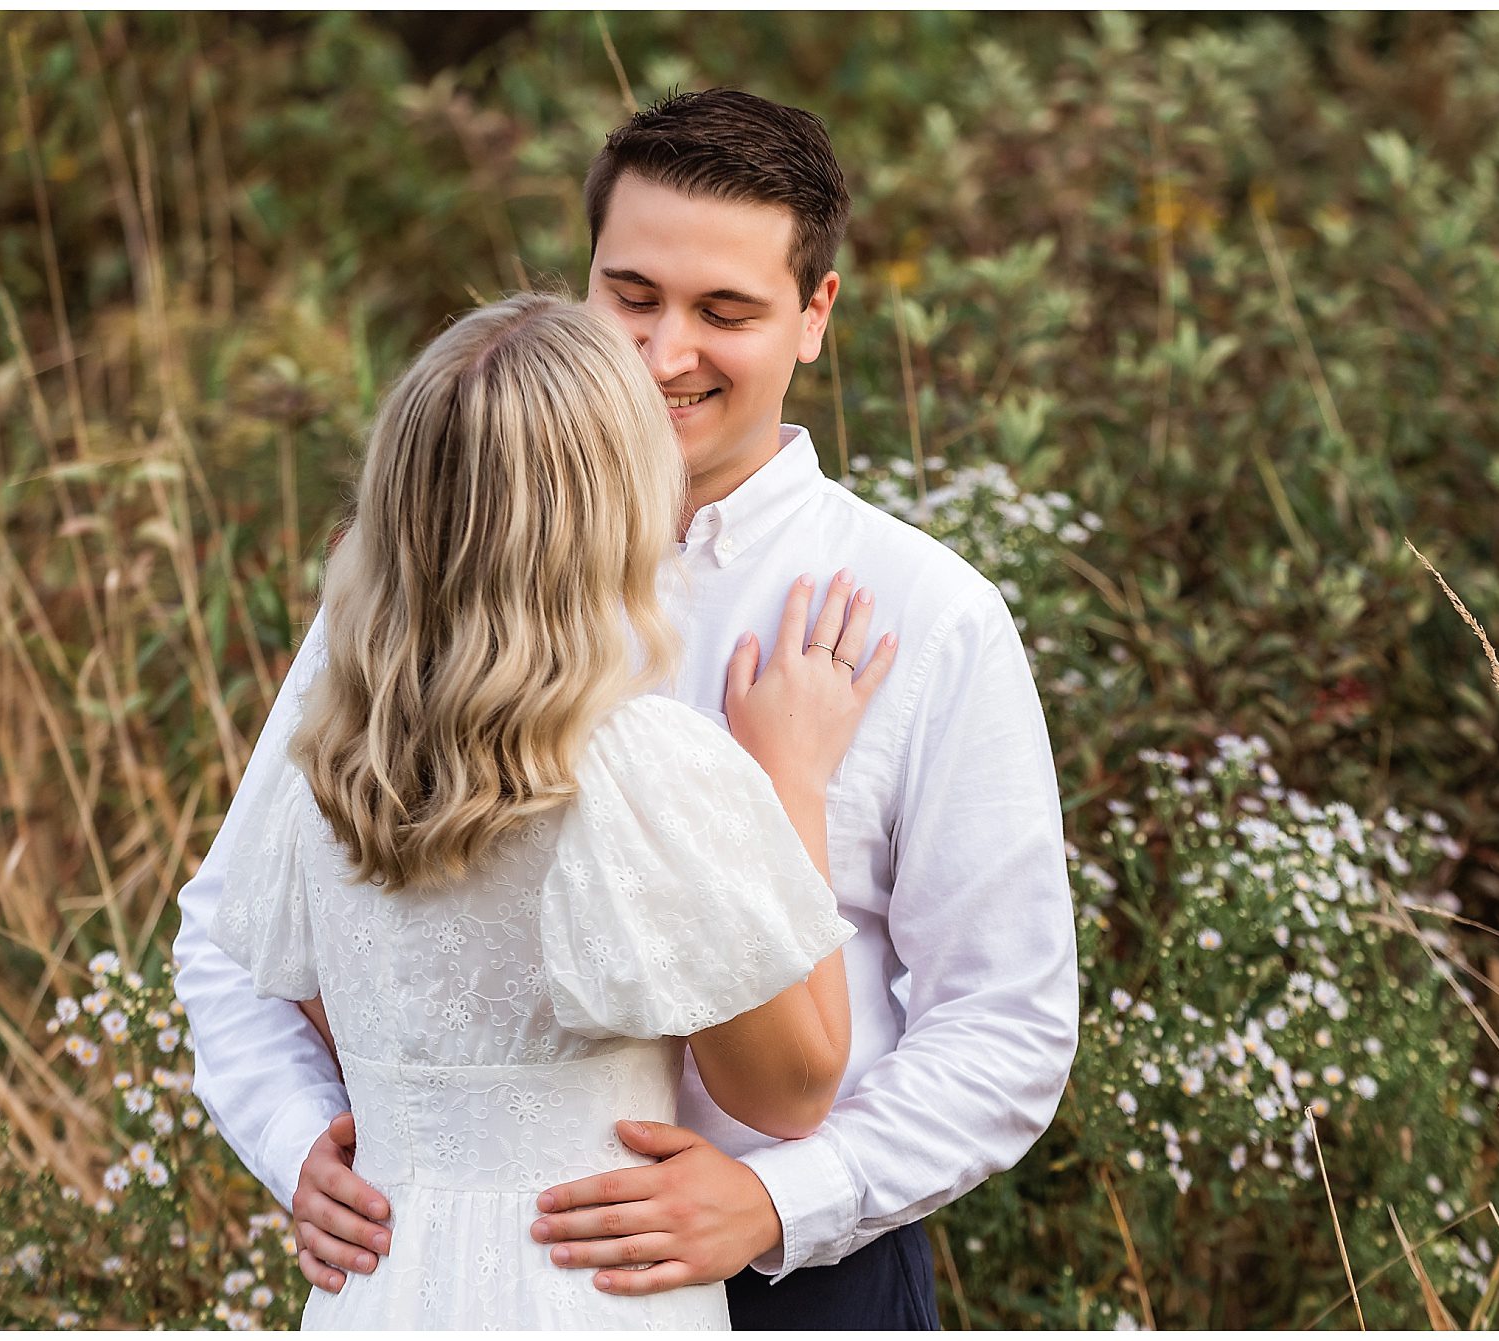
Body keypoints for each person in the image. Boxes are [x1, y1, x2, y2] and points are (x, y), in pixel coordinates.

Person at [174, 88, 1078, 1330]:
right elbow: (234, 934)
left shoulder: (927, 612)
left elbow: (1007, 1023)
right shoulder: (404, 592)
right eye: (632, 295)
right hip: (461, 1271)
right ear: (583, 277)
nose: (663, 354)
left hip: (818, 1278)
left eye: (724, 313)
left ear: (815, 316)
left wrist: (779, 1201)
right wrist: (300, 1146)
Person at [204, 293, 894, 1328]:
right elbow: (790, 1092)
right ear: (616, 501)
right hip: (587, 1291)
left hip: (380, 1288)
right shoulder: (641, 764)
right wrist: (786, 777)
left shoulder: (332, 757)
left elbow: (316, 1004)